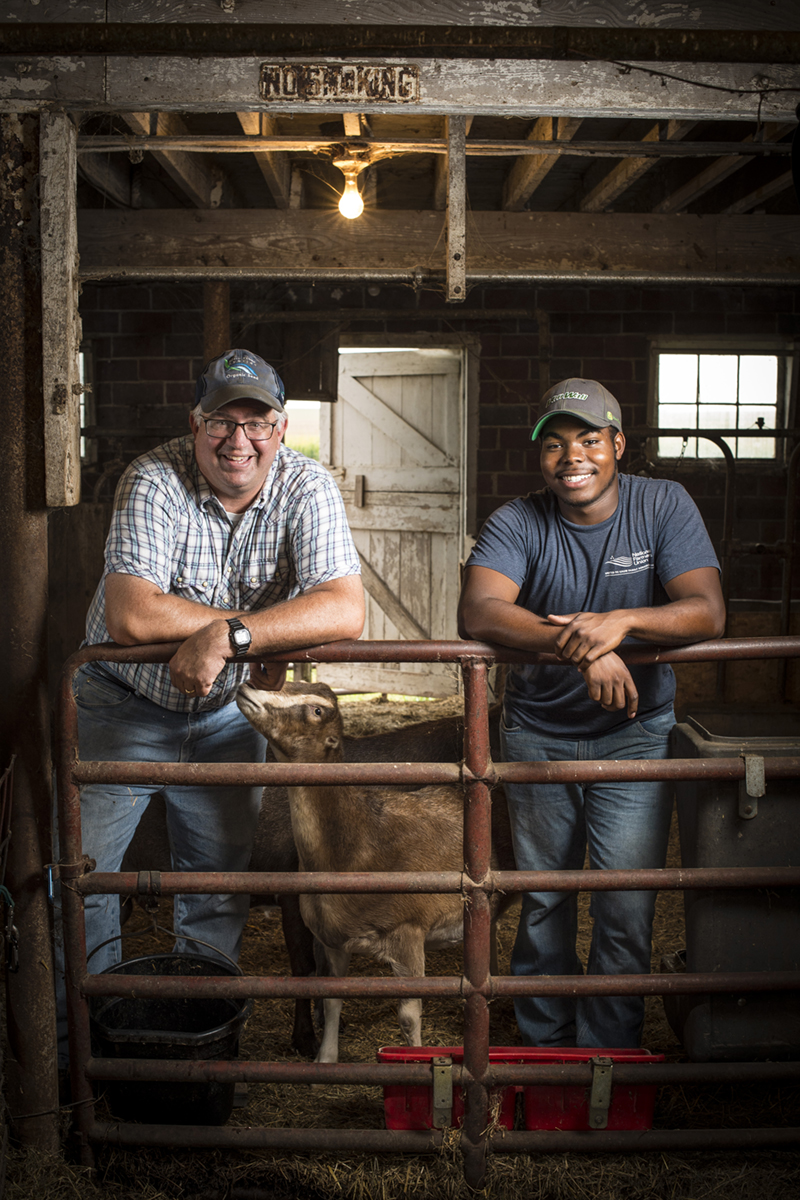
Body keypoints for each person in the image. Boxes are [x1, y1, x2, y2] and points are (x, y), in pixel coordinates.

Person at [57, 348, 364, 1064]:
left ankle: (196, 1042)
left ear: (282, 428)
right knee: (85, 878)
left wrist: (226, 635)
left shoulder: (307, 485)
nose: (238, 440)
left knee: (217, 889)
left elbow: (345, 608)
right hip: (122, 703)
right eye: (221, 421)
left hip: (229, 717)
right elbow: (133, 614)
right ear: (194, 424)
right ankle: (92, 1052)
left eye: (256, 422)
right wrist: (251, 629)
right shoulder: (153, 477)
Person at [457, 377, 725, 1048]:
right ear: (538, 456)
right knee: (545, 899)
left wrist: (621, 623)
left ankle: (608, 1056)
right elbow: (478, 610)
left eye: (587, 439)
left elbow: (708, 611)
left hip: (634, 738)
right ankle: (546, 1052)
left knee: (625, 905)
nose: (570, 456)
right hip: (537, 733)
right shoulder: (517, 520)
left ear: (618, 445)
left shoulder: (662, 504)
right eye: (553, 444)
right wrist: (576, 647)